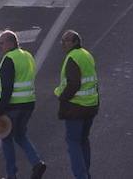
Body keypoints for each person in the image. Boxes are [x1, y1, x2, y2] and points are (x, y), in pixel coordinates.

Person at [0, 29, 46, 179]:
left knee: (6, 138)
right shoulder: (27, 56)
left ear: (11, 42)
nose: (0, 47)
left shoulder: (9, 58)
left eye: (2, 43)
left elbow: (7, 88)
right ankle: (37, 163)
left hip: (12, 106)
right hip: (28, 103)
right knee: (20, 135)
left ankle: (12, 175)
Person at [55, 30, 98, 179]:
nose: (63, 43)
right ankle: (86, 173)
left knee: (73, 142)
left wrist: (63, 98)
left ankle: (81, 176)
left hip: (76, 107)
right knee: (83, 140)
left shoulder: (73, 58)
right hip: (90, 106)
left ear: (75, 42)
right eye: (62, 40)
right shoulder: (87, 55)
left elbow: (73, 83)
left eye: (66, 40)